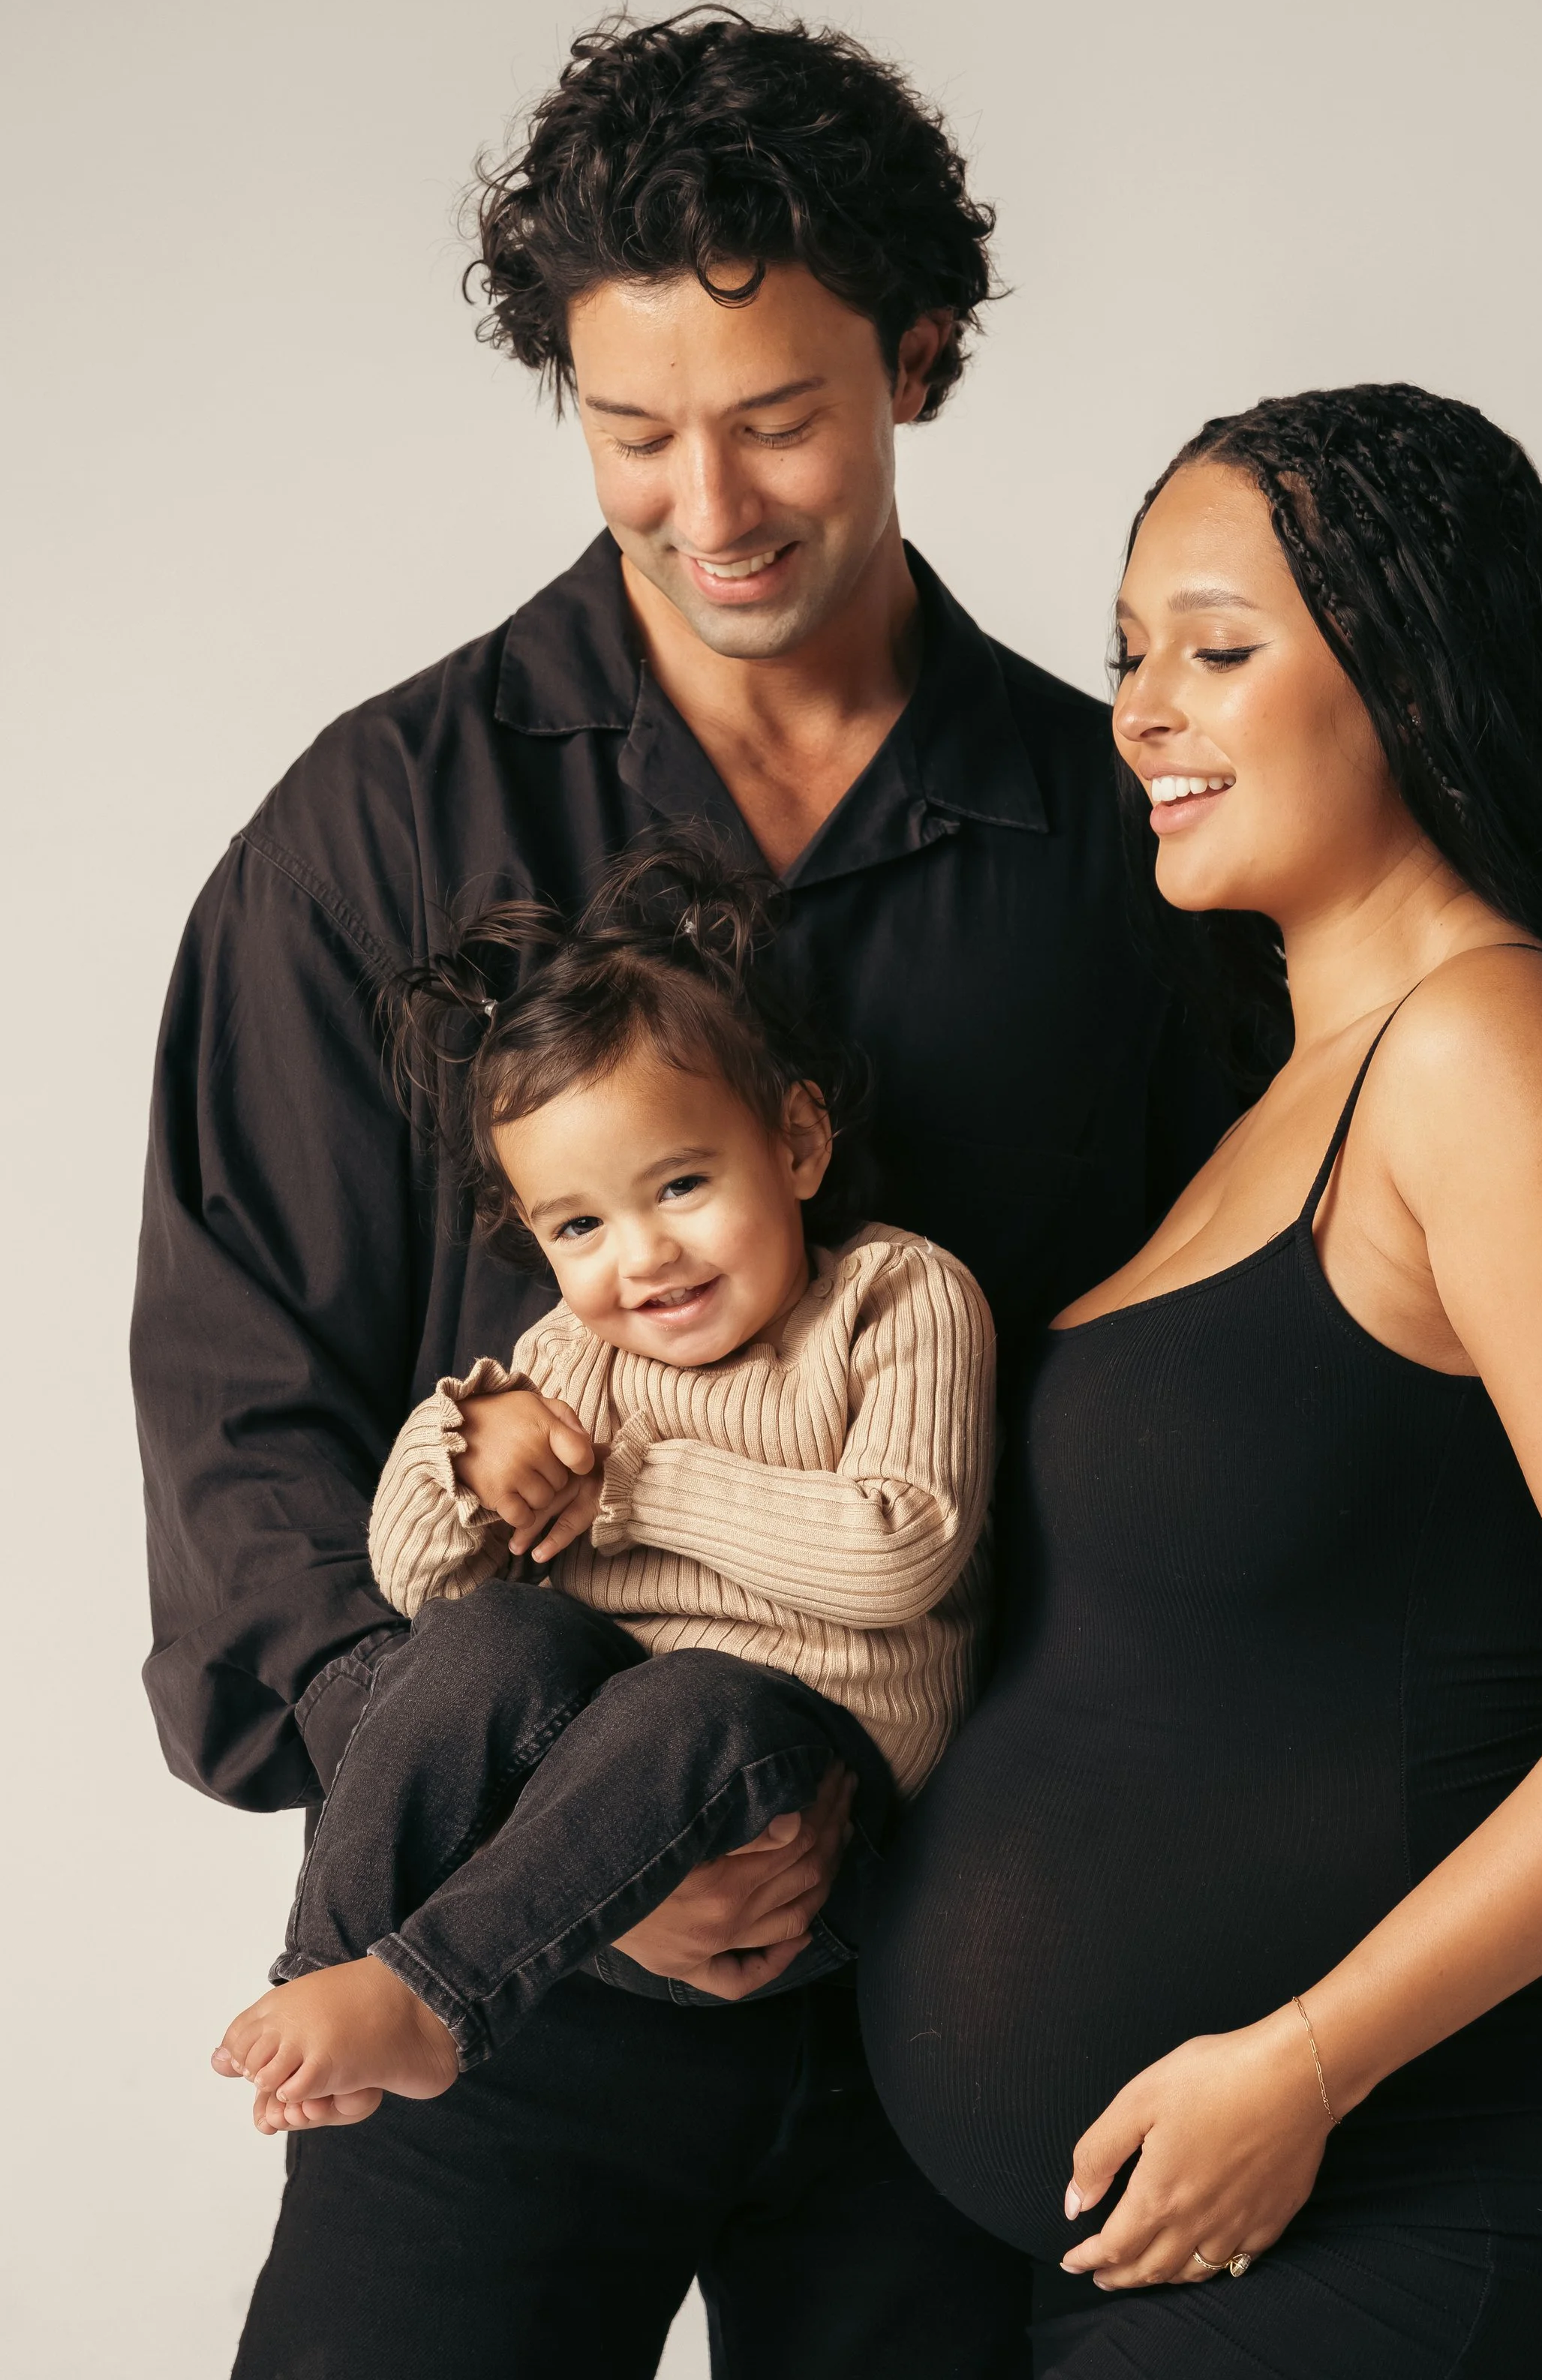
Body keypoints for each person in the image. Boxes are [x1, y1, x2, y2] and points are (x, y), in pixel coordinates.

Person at [132, 8, 1233, 2380]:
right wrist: (558, 1827)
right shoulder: (371, 832)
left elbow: (1236, 1403)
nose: (706, 503)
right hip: (484, 1981)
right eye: (634, 431)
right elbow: (240, 1424)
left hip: (965, 1994)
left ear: (919, 363)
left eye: (778, 419)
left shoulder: (1125, 848)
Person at [861, 383, 1542, 2380]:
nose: (1139, 710)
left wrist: (1299, 2064)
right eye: (1124, 652)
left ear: (1406, 666)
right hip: (1198, 2205)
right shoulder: (1277, 1088)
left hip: (1438, 2169)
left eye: (1215, 647)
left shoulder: (1489, 1047)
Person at [212, 837, 994, 2131]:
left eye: (682, 1184)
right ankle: (333, 1972)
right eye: (579, 1225)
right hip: (590, 1856)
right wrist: (464, 1447)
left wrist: (635, 1490)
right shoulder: (573, 1354)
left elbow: (898, 1549)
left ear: (798, 1141)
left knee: (691, 1694)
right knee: (489, 1634)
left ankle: (432, 1995)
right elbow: (419, 1583)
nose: (644, 1257)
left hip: (798, 1828)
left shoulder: (893, 1297)